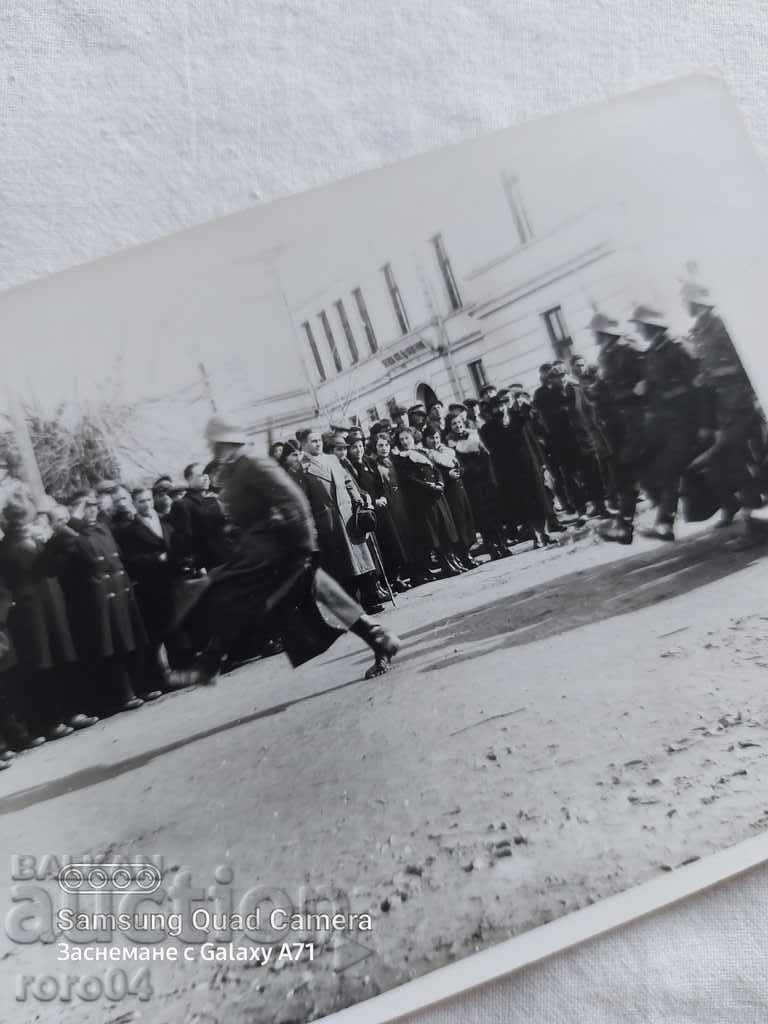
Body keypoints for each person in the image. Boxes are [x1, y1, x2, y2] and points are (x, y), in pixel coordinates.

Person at [168, 416, 400, 685]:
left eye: (217, 445)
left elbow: (293, 500)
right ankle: (378, 637)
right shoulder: (233, 469)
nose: (215, 452)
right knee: (307, 592)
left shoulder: (253, 463)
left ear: (227, 441)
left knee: (234, 595)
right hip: (260, 551)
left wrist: (304, 547)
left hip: (281, 549)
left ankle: (209, 664)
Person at [47, 489, 148, 715]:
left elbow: (117, 558)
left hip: (118, 592)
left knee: (129, 642)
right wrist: (73, 519)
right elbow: (69, 560)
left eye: (94, 505)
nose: (92, 509)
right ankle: (123, 695)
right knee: (110, 648)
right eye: (86, 506)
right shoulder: (69, 537)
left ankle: (141, 687)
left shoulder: (101, 528)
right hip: (95, 600)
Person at [683, 282, 767, 527]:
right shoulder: (699, 330)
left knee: (746, 464)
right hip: (723, 409)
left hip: (742, 405)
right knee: (737, 466)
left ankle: (757, 527)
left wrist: (710, 375)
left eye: (685, 301)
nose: (683, 305)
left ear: (695, 301)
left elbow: (743, 363)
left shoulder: (720, 325)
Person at [630, 304, 700, 541]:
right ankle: (730, 504)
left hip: (687, 420)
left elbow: (697, 381)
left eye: (640, 326)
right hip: (665, 423)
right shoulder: (653, 352)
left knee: (671, 468)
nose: (639, 330)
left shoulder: (676, 347)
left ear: (651, 326)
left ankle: (664, 523)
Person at [299, 429, 383, 614]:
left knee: (362, 559)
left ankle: (371, 599)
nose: (318, 444)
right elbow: (302, 502)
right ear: (303, 444)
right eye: (313, 441)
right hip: (328, 523)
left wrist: (357, 498)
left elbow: (347, 481)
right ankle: (353, 607)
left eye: (319, 440)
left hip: (348, 517)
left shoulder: (331, 460)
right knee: (344, 566)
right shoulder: (301, 469)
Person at [591, 311, 649, 544]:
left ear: (605, 332)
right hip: (617, 424)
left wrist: (633, 393)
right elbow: (604, 387)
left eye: (596, 332)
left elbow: (647, 379)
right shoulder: (606, 354)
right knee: (625, 473)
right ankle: (625, 524)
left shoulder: (629, 349)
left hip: (637, 418)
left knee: (633, 471)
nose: (594, 336)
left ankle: (626, 525)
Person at [119, 488, 181, 690]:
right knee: (159, 633)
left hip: (173, 580)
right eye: (141, 501)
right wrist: (155, 558)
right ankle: (162, 678)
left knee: (179, 626)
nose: (146, 504)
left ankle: (184, 668)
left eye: (148, 500)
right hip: (151, 586)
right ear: (135, 505)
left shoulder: (164, 520)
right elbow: (129, 560)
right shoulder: (129, 530)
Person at [480, 392, 551, 549]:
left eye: (503, 404)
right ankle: (537, 535)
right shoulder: (490, 428)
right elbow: (495, 449)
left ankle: (544, 532)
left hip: (530, 465)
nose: (501, 408)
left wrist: (542, 463)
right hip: (512, 471)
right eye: (497, 406)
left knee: (540, 499)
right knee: (526, 503)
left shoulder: (519, 418)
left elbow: (532, 440)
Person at [392, 426, 464, 578]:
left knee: (445, 529)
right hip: (423, 499)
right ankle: (446, 564)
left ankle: (453, 560)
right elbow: (411, 479)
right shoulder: (401, 458)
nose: (405, 442)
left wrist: (440, 483)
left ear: (412, 438)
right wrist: (430, 487)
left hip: (437, 495)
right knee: (435, 532)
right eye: (402, 439)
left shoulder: (422, 452)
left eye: (407, 438)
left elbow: (436, 470)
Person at [446, 412, 508, 560]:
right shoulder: (450, 443)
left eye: (459, 422)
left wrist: (485, 469)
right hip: (470, 483)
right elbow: (458, 463)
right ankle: (491, 548)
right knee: (482, 516)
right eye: (454, 423)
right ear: (450, 427)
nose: (458, 425)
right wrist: (468, 470)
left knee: (494, 512)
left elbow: (486, 454)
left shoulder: (474, 435)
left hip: (485, 478)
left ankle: (502, 545)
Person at [421, 424, 479, 569]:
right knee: (457, 525)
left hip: (459, 490)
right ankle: (464, 556)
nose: (435, 441)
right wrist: (448, 475)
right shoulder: (429, 455)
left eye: (436, 437)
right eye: (431, 438)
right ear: (426, 440)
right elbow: (435, 475)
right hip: (447, 494)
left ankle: (468, 554)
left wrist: (459, 471)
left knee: (466, 520)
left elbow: (460, 464)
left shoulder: (447, 451)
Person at [367, 432, 414, 590]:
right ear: (375, 447)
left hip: (401, 499)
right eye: (380, 445)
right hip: (389, 503)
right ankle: (399, 575)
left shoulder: (394, 460)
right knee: (397, 537)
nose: (384, 448)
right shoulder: (374, 464)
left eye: (386, 445)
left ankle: (414, 571)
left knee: (408, 534)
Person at [173, 461, 231, 571]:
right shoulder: (182, 504)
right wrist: (197, 564)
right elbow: (185, 539)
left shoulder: (213, 499)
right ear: (189, 479)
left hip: (228, 556)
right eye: (200, 475)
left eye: (206, 474)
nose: (206, 478)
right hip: (209, 562)